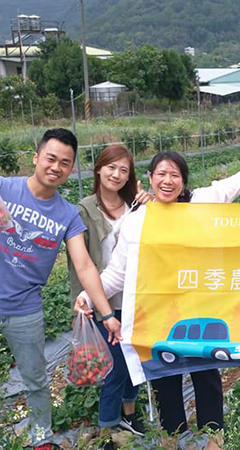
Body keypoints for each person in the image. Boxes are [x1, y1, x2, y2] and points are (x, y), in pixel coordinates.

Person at [74, 144, 240, 449]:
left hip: (199, 310)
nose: (167, 181)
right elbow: (117, 274)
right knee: (163, 376)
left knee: (206, 374)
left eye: (175, 175)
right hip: (156, 313)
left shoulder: (201, 202)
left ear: (184, 180)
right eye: (161, 174)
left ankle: (214, 438)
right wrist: (88, 296)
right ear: (150, 178)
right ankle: (172, 436)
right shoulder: (138, 220)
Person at [0, 128, 121, 450]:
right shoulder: (1, 188)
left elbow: (85, 265)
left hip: (25, 312)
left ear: (71, 169)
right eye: (50, 158)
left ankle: (41, 438)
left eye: (65, 162)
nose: (56, 167)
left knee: (35, 380)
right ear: (36, 158)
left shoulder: (67, 214)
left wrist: (106, 314)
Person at [66, 145, 152, 449]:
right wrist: (87, 299)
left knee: (135, 362)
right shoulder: (83, 209)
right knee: (116, 368)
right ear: (98, 170)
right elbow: (82, 263)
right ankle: (107, 428)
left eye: (124, 170)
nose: (116, 174)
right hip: (102, 303)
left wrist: (151, 202)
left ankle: (129, 413)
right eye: (111, 167)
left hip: (135, 299)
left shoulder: (137, 205)